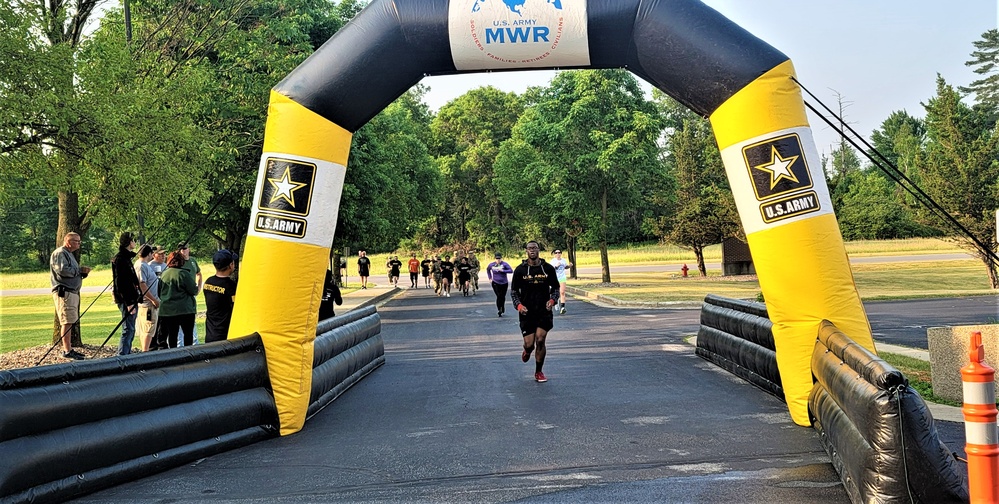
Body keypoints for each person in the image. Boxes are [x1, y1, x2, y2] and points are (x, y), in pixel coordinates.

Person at [510, 240, 560, 383]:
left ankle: (539, 371)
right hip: (527, 312)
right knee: (529, 344)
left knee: (540, 339)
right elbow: (514, 292)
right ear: (526, 250)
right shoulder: (520, 270)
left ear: (539, 250)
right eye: (530, 248)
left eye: (535, 248)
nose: (532, 250)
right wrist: (519, 306)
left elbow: (555, 289)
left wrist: (552, 301)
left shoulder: (548, 269)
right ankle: (527, 351)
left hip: (543, 311)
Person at [50, 232, 91, 360]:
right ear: (68, 241)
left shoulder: (69, 254)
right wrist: (79, 270)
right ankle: (66, 350)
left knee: (70, 321)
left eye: (79, 241)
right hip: (65, 292)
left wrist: (82, 273)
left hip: (72, 292)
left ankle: (70, 348)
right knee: (66, 321)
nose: (79, 243)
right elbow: (63, 270)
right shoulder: (60, 253)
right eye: (76, 241)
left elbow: (71, 271)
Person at [158, 251, 198, 348]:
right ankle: (188, 354)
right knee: (188, 334)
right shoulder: (183, 274)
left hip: (168, 311)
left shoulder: (163, 274)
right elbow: (193, 290)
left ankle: (173, 355)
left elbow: (159, 292)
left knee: (172, 335)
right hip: (185, 309)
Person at [111, 232, 142, 355]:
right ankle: (123, 355)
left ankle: (126, 353)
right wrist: (129, 303)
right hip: (127, 300)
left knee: (131, 328)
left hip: (131, 298)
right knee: (128, 328)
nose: (135, 243)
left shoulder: (126, 258)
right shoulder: (121, 260)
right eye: (134, 240)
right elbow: (122, 283)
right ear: (129, 242)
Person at [203, 249, 238, 343]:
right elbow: (236, 307)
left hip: (210, 333)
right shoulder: (231, 286)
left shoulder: (208, 282)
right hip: (225, 334)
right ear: (231, 265)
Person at [134, 244, 161, 352]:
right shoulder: (141, 266)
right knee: (148, 327)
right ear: (149, 254)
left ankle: (145, 350)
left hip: (149, 303)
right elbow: (142, 284)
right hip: (148, 305)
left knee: (147, 328)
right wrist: (153, 300)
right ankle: (145, 351)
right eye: (151, 253)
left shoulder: (144, 265)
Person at [176, 242, 202, 347]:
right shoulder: (178, 262)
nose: (183, 251)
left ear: (188, 249)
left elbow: (199, 273)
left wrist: (199, 286)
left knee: (192, 319)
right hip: (181, 295)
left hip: (191, 293)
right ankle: (180, 345)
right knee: (180, 320)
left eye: (185, 248)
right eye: (181, 249)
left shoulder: (192, 261)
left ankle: (194, 343)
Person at [487, 252, 513, 317]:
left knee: (502, 296)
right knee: (499, 296)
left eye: (499, 259)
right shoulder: (492, 265)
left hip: (504, 283)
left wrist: (503, 271)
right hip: (495, 282)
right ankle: (499, 309)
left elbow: (511, 270)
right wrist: (490, 278)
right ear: (495, 259)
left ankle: (502, 306)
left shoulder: (504, 264)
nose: (498, 260)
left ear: (501, 258)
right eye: (497, 259)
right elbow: (488, 270)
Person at [550, 249, 573, 314]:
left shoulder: (563, 260)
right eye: (556, 253)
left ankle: (562, 307)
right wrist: (556, 266)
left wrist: (569, 266)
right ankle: (556, 301)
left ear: (561, 253)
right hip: (554, 278)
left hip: (562, 277)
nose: (558, 254)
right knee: (554, 292)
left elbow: (565, 267)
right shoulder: (552, 261)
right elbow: (551, 270)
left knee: (562, 292)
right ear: (554, 254)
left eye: (559, 252)